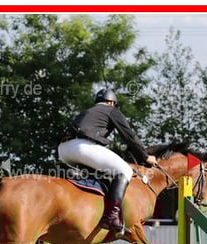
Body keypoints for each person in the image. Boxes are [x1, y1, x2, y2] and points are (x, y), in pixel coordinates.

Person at [58, 88, 158, 233]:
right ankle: (111, 217)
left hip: (63, 150)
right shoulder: (112, 110)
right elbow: (129, 136)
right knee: (125, 170)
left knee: (99, 174)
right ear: (112, 103)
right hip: (82, 147)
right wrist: (145, 157)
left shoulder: (87, 112)